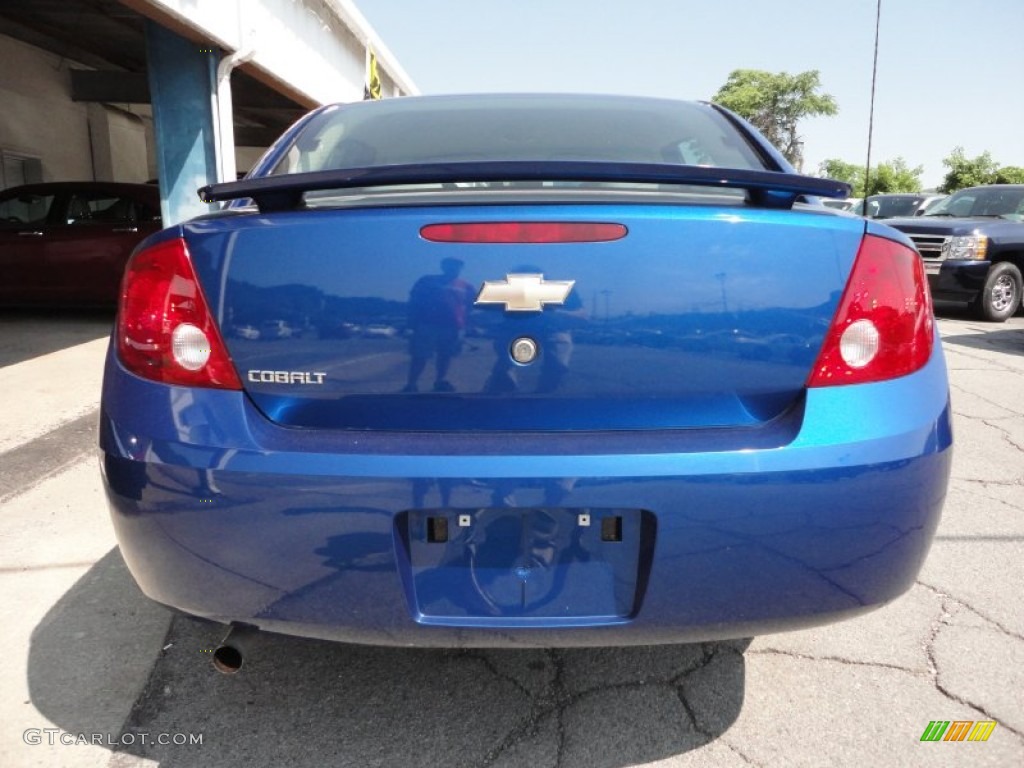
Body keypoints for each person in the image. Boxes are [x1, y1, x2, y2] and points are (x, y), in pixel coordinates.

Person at [403, 258, 474, 393]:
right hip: (427, 324)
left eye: (457, 266)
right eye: (450, 266)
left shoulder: (466, 286)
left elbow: (470, 306)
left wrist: (465, 324)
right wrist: (411, 321)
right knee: (420, 355)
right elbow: (414, 301)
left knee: (446, 355)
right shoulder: (427, 281)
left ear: (460, 268)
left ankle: (440, 381)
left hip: (453, 327)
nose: (453, 268)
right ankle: (411, 384)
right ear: (443, 267)